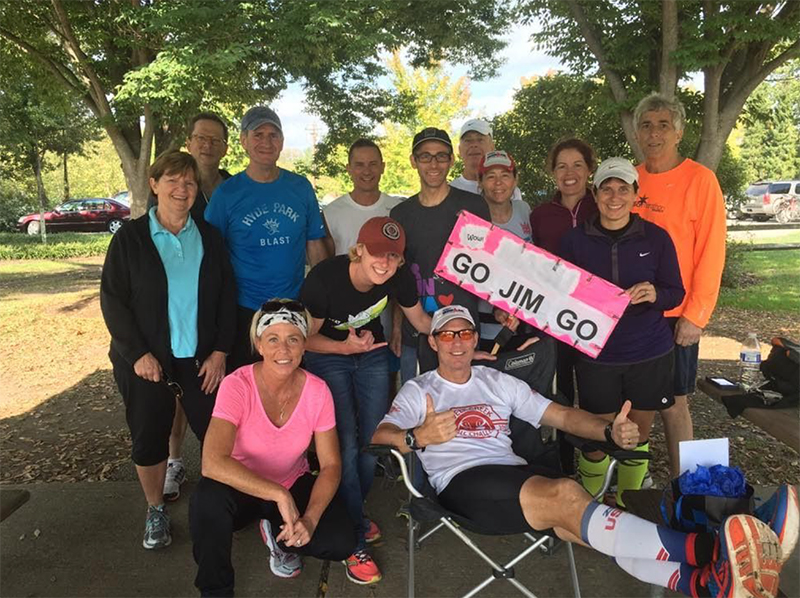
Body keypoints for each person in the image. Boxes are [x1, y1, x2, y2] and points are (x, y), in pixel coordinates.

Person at [373, 305, 795, 598]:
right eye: (447, 334)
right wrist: (416, 438)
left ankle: (706, 585)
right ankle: (713, 548)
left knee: (588, 530)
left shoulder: (495, 381)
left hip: (513, 474)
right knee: (565, 494)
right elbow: (381, 435)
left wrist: (609, 430)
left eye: (465, 332)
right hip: (461, 486)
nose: (458, 341)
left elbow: (562, 416)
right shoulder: (420, 389)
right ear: (434, 342)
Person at [100, 151, 236, 550]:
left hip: (200, 359)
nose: (182, 189)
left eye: (190, 182)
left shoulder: (210, 237)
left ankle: (222, 505)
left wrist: (221, 352)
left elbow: (227, 298)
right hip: (147, 362)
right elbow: (112, 301)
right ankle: (155, 508)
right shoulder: (130, 239)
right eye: (173, 180)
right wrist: (137, 353)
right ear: (154, 185)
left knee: (216, 431)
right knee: (149, 435)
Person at [189, 301, 356, 597]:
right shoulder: (236, 385)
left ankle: (279, 538)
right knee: (206, 502)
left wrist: (310, 519)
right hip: (241, 486)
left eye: (293, 339)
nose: (284, 350)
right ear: (259, 345)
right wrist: (278, 494)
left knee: (340, 541)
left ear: (304, 346)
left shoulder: (317, 391)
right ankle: (215, 591)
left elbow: (331, 465)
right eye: (273, 339)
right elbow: (212, 462)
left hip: (292, 479)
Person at [300, 217, 431, 584]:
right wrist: (343, 347)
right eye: (376, 252)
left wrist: (464, 335)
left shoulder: (396, 277)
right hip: (328, 353)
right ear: (359, 249)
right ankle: (354, 536)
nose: (384, 263)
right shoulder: (325, 278)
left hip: (370, 352)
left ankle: (350, 510)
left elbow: (420, 320)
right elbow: (301, 339)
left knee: (374, 441)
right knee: (344, 443)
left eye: (393, 256)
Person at [560, 157, 684, 507]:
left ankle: (631, 499)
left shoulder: (656, 238)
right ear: (595, 194)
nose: (615, 197)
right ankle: (590, 502)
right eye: (607, 189)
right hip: (597, 352)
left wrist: (656, 293)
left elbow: (676, 291)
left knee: (639, 434)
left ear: (635, 195)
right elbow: (559, 292)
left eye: (623, 189)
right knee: (598, 433)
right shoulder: (574, 240)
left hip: (649, 350)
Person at [631, 93, 727, 478]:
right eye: (646, 125)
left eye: (663, 125)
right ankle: (635, 487)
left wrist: (696, 315)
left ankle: (685, 487)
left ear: (679, 132)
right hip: (631, 314)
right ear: (637, 133)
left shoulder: (700, 181)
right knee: (635, 403)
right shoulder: (628, 180)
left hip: (675, 315)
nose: (654, 134)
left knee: (673, 404)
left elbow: (712, 251)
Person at [205, 105, 329, 371]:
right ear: (243, 141)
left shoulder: (300, 187)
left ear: (282, 142)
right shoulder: (226, 194)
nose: (266, 142)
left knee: (293, 380)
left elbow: (315, 245)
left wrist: (322, 299)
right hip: (246, 309)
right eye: (258, 134)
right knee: (249, 385)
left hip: (295, 306)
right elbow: (211, 254)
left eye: (273, 135)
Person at [165, 111, 233, 503]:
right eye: (200, 138)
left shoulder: (232, 186)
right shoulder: (178, 185)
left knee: (216, 387)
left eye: (215, 139)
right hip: (179, 306)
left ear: (226, 147)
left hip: (221, 298)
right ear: (189, 141)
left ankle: (222, 461)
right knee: (175, 393)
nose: (207, 145)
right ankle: (175, 459)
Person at [390, 127, 491, 376]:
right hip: (416, 333)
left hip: (463, 335)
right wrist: (395, 327)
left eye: (441, 156)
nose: (433, 164)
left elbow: (490, 267)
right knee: (422, 408)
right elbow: (396, 276)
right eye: (425, 156)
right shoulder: (400, 215)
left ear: (451, 160)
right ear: (414, 161)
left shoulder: (473, 206)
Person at [529, 137, 599, 475]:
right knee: (560, 392)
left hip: (598, 318)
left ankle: (597, 468)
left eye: (577, 165)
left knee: (596, 394)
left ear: (589, 170)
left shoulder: (604, 205)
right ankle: (563, 466)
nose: (569, 173)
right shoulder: (540, 215)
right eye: (561, 166)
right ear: (552, 172)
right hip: (554, 318)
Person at [322, 138, 405, 392]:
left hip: (387, 318)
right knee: (343, 396)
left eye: (372, 164)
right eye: (359, 165)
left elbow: (403, 273)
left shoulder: (398, 210)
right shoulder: (331, 212)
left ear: (383, 166)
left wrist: (398, 327)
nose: (366, 171)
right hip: (343, 322)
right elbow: (326, 270)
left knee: (384, 393)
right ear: (348, 168)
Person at [474, 150, 532, 350]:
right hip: (485, 325)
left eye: (505, 175)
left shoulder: (524, 210)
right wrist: (496, 306)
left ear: (515, 180)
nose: (498, 183)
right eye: (491, 176)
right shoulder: (472, 219)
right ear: (479, 182)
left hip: (524, 321)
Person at [450, 118, 523, 201]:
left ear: (492, 147)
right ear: (459, 150)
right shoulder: (449, 192)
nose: (474, 145)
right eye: (468, 141)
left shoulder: (508, 190)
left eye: (480, 140)